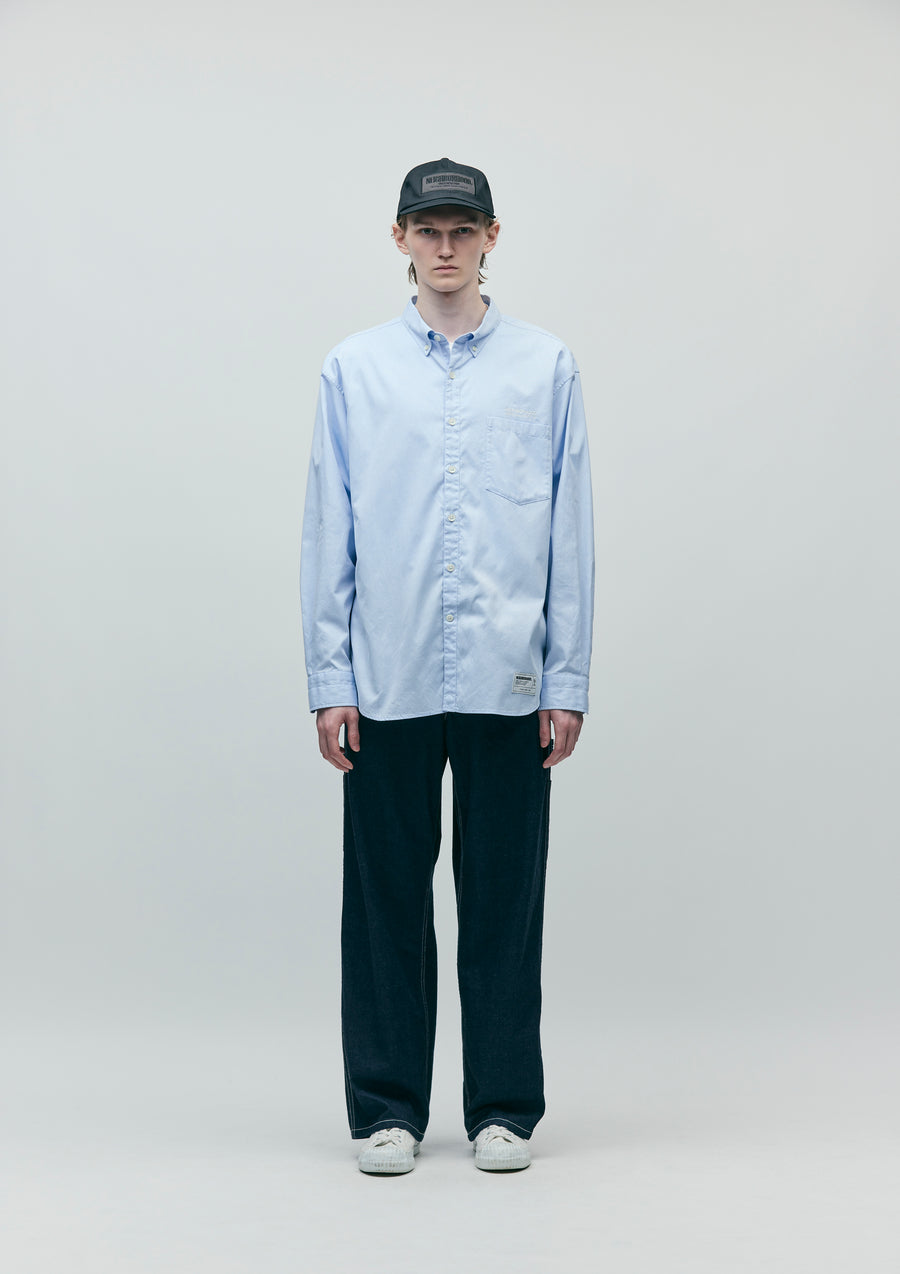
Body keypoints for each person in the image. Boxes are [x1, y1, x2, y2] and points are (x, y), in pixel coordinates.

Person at [300, 157, 594, 1175]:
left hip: (509, 676)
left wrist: (567, 679)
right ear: (400, 239)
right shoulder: (355, 369)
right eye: (427, 229)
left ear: (491, 238)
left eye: (464, 229)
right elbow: (329, 527)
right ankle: (386, 1108)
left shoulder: (545, 367)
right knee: (385, 899)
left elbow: (569, 530)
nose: (445, 247)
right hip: (386, 674)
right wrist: (330, 678)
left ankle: (503, 1108)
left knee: (504, 899)